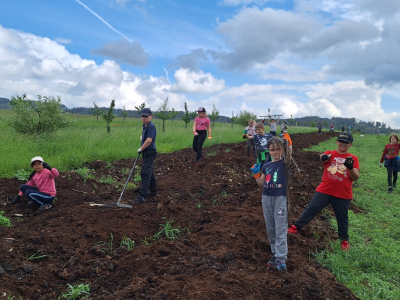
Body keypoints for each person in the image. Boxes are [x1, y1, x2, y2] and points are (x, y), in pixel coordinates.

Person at [288, 132, 360, 251]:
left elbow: (355, 177)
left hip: (343, 194)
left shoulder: (353, 158)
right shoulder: (330, 154)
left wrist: (350, 167)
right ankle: (296, 227)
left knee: (342, 217)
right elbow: (322, 156)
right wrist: (324, 157)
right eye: (341, 141)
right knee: (312, 208)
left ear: (350, 145)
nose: (343, 144)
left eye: (346, 143)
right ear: (337, 142)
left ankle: (344, 241)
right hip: (325, 190)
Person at [254, 137, 291, 271]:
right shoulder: (266, 165)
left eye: (278, 149)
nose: (275, 152)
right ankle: (275, 254)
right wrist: (256, 174)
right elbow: (261, 184)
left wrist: (287, 142)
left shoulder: (285, 163)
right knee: (271, 228)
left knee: (280, 228)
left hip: (280, 198)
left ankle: (281, 260)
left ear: (282, 150)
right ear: (268, 151)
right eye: (272, 150)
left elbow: (289, 155)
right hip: (266, 198)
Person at [136, 108, 158, 203]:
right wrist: (142, 138)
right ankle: (153, 191)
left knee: (145, 173)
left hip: (150, 152)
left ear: (151, 117)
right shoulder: (145, 125)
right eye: (142, 116)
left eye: (146, 117)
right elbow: (146, 137)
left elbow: (149, 140)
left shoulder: (151, 126)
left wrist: (141, 148)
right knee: (149, 172)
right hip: (146, 152)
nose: (144, 118)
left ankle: (142, 196)